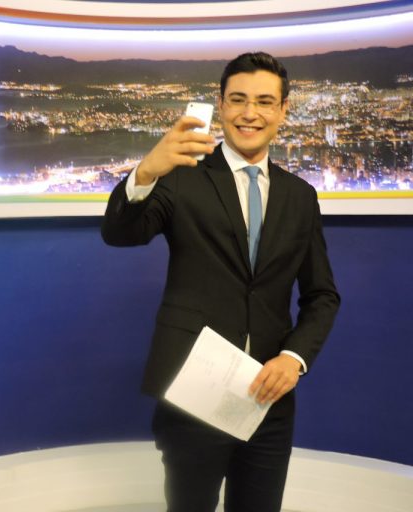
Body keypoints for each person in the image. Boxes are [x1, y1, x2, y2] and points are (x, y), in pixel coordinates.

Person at [101, 52, 340, 511]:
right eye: (238, 99)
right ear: (222, 104)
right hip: (194, 394)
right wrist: (146, 171)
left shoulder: (301, 196)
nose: (250, 113)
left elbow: (322, 294)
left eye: (265, 102)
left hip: (268, 399)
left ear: (283, 111)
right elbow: (120, 233)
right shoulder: (181, 176)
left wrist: (293, 358)